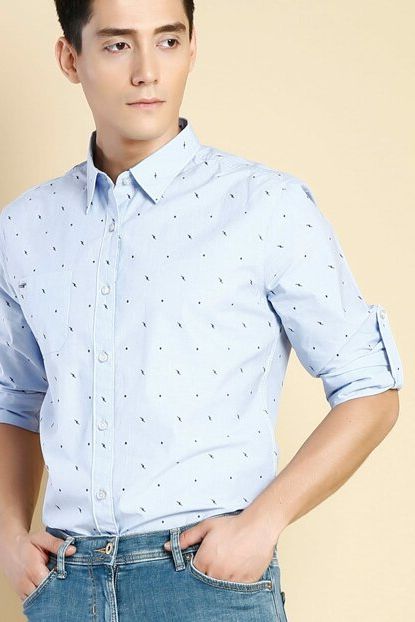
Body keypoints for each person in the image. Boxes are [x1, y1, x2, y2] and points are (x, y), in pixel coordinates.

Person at [0, 0, 404, 620]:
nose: (146, 71)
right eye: (116, 45)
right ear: (69, 57)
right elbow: (15, 399)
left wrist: (261, 525)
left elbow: (371, 389)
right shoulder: (26, 227)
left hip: (205, 582)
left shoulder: (266, 206)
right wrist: (8, 537)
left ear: (192, 48)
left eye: (167, 41)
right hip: (66, 584)